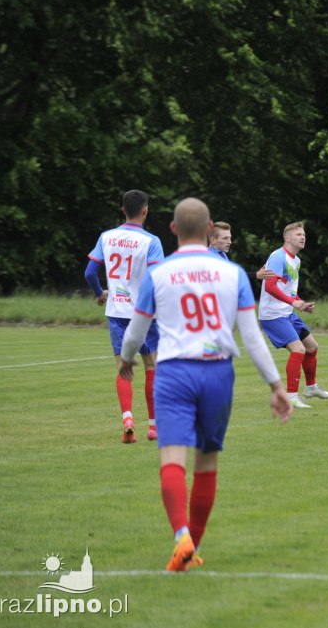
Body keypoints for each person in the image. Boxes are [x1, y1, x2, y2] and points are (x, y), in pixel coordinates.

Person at [118, 197, 292, 572]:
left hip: (173, 373)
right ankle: (191, 546)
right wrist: (276, 385)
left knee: (172, 459)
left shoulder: (159, 273)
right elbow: (251, 335)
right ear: (210, 229)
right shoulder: (231, 274)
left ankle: (181, 534)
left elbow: (136, 329)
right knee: (207, 463)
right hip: (216, 373)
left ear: (174, 229)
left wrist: (126, 357)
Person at [85, 189, 164, 443]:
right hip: (143, 314)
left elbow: (89, 272)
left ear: (123, 210)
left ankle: (128, 419)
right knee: (151, 368)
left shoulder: (106, 237)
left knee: (124, 369)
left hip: (117, 311)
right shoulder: (151, 242)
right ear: (145, 210)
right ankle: (153, 427)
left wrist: (100, 293)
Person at [258, 221, 328, 408]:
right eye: (299, 234)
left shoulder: (296, 260)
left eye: (304, 234)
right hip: (273, 315)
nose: (303, 237)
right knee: (298, 349)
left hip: (287, 313)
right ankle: (290, 396)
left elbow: (289, 289)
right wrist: (293, 302)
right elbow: (270, 286)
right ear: (287, 238)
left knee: (312, 346)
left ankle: (311, 388)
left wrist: (301, 303)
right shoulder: (278, 256)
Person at [209, 220, 275, 282]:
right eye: (225, 238)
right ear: (213, 240)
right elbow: (230, 276)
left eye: (230, 238)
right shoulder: (210, 257)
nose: (230, 242)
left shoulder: (221, 253)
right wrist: (255, 275)